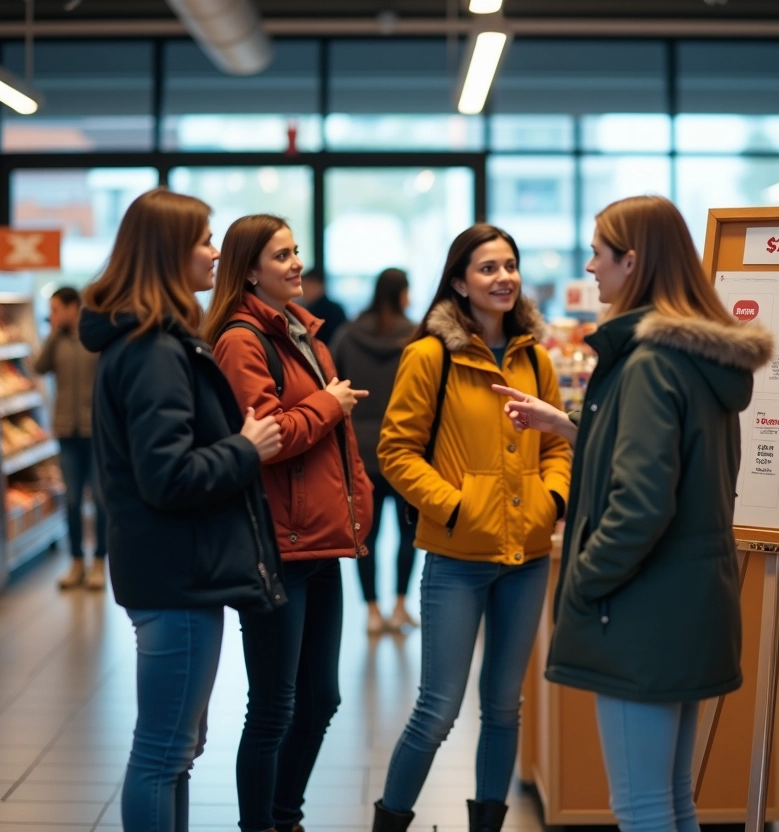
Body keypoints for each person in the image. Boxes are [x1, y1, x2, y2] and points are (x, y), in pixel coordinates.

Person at [493, 195, 773, 832]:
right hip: (692, 600)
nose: (590, 266)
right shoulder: (700, 356)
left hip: (640, 610)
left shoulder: (647, 364)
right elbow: (672, 464)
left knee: (643, 807)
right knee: (673, 800)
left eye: (598, 252)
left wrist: (585, 581)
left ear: (633, 260)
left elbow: (641, 502)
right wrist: (570, 428)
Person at [79, 189, 286, 832]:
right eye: (203, 240)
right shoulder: (153, 350)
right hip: (179, 573)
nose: (215, 252)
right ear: (170, 253)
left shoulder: (150, 341)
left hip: (171, 569)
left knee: (176, 751)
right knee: (165, 752)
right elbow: (167, 475)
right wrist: (245, 448)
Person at [373, 224, 571, 832]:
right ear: (459, 281)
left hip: (527, 555)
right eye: (487, 268)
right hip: (457, 559)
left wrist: (554, 501)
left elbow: (558, 443)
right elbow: (396, 450)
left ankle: (487, 825)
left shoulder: (535, 356)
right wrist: (456, 508)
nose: (503, 277)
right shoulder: (431, 354)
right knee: (437, 709)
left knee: (505, 708)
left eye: (509, 265)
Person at [204, 215, 374, 832]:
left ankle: (284, 815)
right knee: (275, 706)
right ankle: (266, 825)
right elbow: (268, 438)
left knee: (320, 699)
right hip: (278, 544)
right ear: (249, 270)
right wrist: (329, 403)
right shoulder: (241, 340)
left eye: (296, 251)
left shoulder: (307, 336)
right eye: (281, 255)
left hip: (320, 543)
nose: (296, 263)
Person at [331, 268, 419, 634]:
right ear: (401, 294)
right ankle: (400, 606)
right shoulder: (415, 338)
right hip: (404, 446)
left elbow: (331, 385)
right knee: (408, 532)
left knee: (365, 534)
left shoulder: (347, 335)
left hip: (359, 450)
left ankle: (370, 611)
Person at [34, 285, 108, 590]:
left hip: (96, 432)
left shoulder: (96, 341)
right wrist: (53, 333)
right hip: (66, 431)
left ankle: (99, 563)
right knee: (73, 500)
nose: (52, 315)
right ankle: (77, 562)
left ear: (72, 307)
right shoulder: (58, 341)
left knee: (101, 501)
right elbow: (39, 367)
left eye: (56, 309)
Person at [295, 269, 347, 346]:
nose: (302, 291)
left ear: (319, 285)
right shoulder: (336, 308)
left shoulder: (329, 311)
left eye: (306, 286)